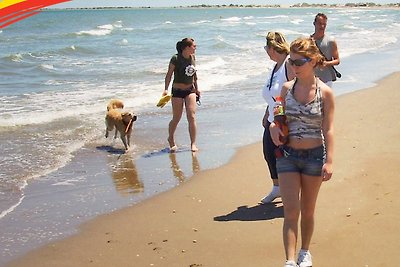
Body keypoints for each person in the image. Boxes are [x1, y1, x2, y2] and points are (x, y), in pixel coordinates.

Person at [269, 37, 334, 267]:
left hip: (314, 158)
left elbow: (328, 128)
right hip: (288, 157)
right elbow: (276, 119)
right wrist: (273, 127)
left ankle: (304, 252)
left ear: (314, 61)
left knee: (307, 210)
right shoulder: (286, 90)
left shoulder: (325, 93)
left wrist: (329, 161)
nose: (294, 67)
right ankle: (289, 260)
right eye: (291, 62)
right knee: (290, 211)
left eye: (299, 62)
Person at [260, 31, 295, 204]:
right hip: (272, 117)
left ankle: (293, 192)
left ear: (273, 48)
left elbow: (297, 89)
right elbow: (272, 94)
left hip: (286, 119)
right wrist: (267, 113)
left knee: (287, 156)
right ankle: (277, 188)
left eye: (266, 47)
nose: (266, 51)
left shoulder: (288, 64)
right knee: (269, 153)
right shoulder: (275, 66)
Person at [163, 38, 200, 152]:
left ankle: (193, 144)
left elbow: (194, 75)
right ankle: (171, 138)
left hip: (190, 90)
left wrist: (197, 89)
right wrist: (165, 89)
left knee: (191, 116)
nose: (195, 47)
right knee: (177, 117)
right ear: (186, 47)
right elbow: (169, 75)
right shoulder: (176, 58)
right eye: (193, 46)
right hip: (177, 91)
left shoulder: (192, 58)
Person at [311, 13, 340, 88]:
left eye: (324, 24)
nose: (322, 26)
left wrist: (326, 63)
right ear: (314, 24)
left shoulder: (330, 41)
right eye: (320, 24)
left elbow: (337, 60)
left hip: (326, 78)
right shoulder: (308, 41)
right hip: (312, 78)